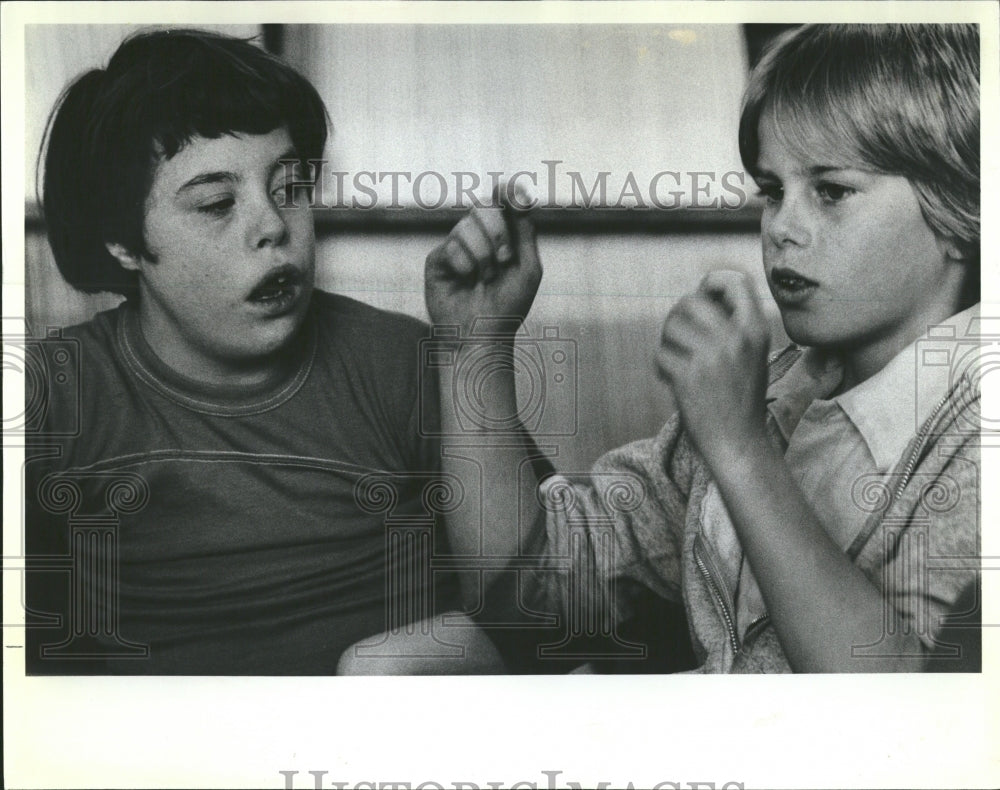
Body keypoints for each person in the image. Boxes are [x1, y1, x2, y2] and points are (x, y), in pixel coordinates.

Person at [384, 23, 980, 674]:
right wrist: (475, 342)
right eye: (772, 190)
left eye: (831, 191)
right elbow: (529, 593)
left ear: (958, 207)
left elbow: (915, 725)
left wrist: (740, 448)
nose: (782, 227)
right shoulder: (779, 389)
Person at [23, 29, 481, 674]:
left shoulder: (401, 361)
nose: (272, 225)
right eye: (215, 203)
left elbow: (543, 591)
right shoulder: (52, 395)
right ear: (122, 243)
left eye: (290, 187)